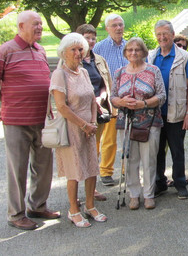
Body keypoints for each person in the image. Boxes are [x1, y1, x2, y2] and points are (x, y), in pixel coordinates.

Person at [0, 10, 60, 230]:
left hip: (42, 120)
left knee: (43, 167)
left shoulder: (40, 50)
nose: (40, 28)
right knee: (17, 168)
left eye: (41, 25)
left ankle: (37, 206)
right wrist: (6, 102)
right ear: (21, 26)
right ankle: (16, 214)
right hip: (16, 120)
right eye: (35, 24)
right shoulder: (6, 50)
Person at [51, 33, 107, 228]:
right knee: (74, 171)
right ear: (63, 52)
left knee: (92, 167)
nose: (78, 53)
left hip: (89, 128)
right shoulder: (60, 74)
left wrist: (91, 123)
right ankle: (73, 210)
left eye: (80, 49)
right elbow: (62, 107)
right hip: (71, 128)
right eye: (73, 49)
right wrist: (83, 125)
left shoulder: (83, 72)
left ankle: (90, 206)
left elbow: (92, 99)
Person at [111, 37, 166, 210]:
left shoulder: (153, 70)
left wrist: (144, 103)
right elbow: (112, 97)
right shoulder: (119, 72)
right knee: (129, 159)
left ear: (143, 52)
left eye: (137, 49)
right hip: (126, 122)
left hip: (150, 122)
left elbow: (162, 96)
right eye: (130, 50)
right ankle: (134, 194)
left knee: (149, 159)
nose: (133, 53)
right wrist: (121, 102)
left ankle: (149, 195)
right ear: (125, 53)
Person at [149, 20, 188, 200]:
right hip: (156, 114)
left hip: (177, 112)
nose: (162, 37)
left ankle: (180, 183)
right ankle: (160, 183)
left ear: (173, 34)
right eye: (158, 34)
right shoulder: (151, 56)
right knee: (157, 151)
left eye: (165, 33)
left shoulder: (184, 57)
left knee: (177, 150)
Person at [72, 24, 113, 202]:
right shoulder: (71, 59)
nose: (91, 41)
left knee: (93, 152)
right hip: (79, 114)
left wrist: (101, 98)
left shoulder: (100, 60)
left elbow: (106, 84)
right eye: (87, 37)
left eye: (93, 38)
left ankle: (92, 189)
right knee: (77, 153)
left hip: (98, 112)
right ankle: (73, 194)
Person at [93, 14, 127, 187]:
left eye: (120, 24)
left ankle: (126, 169)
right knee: (109, 138)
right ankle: (106, 171)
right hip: (110, 98)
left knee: (129, 137)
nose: (118, 28)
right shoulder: (99, 48)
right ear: (107, 28)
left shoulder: (130, 46)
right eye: (114, 25)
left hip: (129, 98)